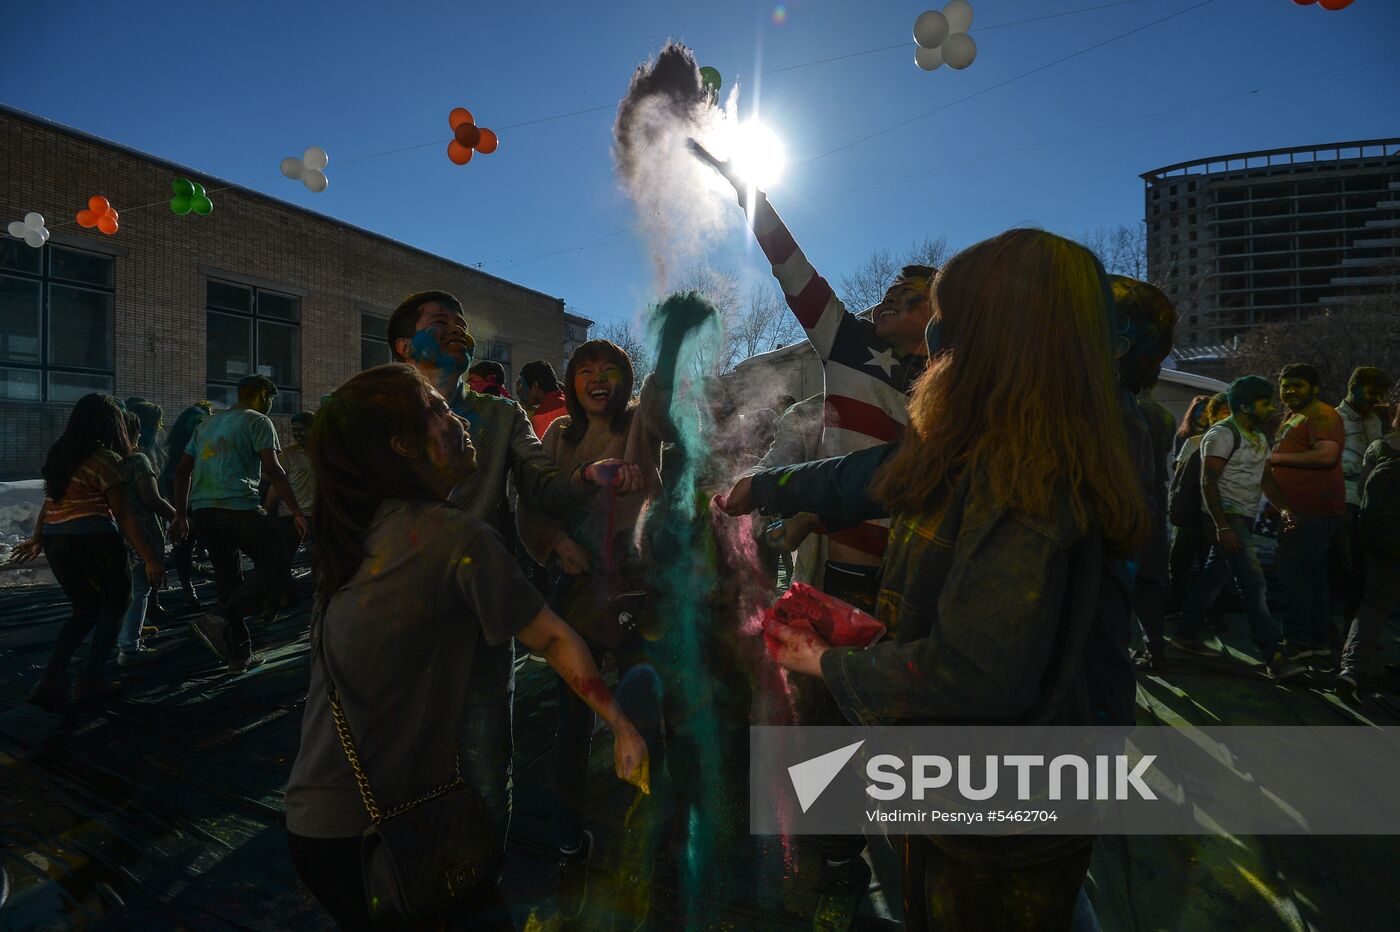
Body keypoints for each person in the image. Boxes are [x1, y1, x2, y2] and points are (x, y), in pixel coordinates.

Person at [720, 228, 1150, 930]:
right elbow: (878, 474)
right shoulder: (993, 428)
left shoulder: (1032, 474)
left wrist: (828, 661)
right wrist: (771, 486)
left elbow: (974, 672)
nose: (936, 333)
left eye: (946, 308)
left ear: (996, 329)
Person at [284, 364, 648, 932]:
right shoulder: (450, 536)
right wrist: (623, 725)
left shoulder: (358, 529)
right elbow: (553, 637)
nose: (459, 416)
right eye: (439, 409)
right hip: (384, 833)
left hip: (320, 820)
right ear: (404, 444)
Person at [693, 139, 934, 920]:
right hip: (837, 582)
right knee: (824, 719)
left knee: (909, 732)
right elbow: (794, 273)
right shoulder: (851, 348)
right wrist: (747, 190)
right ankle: (834, 859)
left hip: (919, 591)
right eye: (895, 283)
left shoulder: (962, 386)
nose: (895, 288)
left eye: (918, 289)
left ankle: (917, 855)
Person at [386, 290, 642, 856]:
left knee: (487, 762)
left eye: (460, 321)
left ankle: (483, 878)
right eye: (439, 323)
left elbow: (541, 484)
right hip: (398, 619)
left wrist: (584, 478)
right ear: (406, 347)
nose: (457, 329)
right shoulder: (375, 410)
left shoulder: (500, 416)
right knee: (403, 763)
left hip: (479, 614)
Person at [516, 339, 661, 918]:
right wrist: (556, 544)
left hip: (636, 583)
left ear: (626, 380)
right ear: (571, 383)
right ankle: (570, 831)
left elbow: (663, 475)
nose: (598, 380)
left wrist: (641, 480)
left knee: (643, 702)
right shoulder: (559, 436)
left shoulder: (642, 422)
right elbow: (535, 503)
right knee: (574, 713)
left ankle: (648, 825)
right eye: (585, 372)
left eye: (610, 371)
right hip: (576, 583)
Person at [11, 394, 165, 710]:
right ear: (111, 423)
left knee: (84, 610)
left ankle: (50, 680)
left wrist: (40, 537)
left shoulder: (61, 455)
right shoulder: (105, 457)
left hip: (58, 542)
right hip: (95, 538)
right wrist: (149, 556)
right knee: (117, 602)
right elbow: (122, 513)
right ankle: (90, 679)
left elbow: (50, 501)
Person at [171, 375, 308, 674]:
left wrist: (181, 515)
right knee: (277, 566)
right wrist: (296, 511)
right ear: (262, 395)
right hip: (238, 508)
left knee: (228, 581)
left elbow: (182, 471)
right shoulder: (258, 421)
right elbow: (273, 470)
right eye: (271, 399)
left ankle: (238, 656)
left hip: (204, 513)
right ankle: (218, 617)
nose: (272, 405)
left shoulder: (205, 425)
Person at [1171, 377, 1301, 677]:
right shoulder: (1222, 434)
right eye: (1264, 403)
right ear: (1243, 404)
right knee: (1253, 582)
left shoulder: (1257, 436)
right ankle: (1273, 655)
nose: (1270, 408)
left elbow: (1266, 477)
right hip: (1223, 517)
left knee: (1214, 577)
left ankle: (1184, 633)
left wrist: (1284, 508)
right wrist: (1221, 526)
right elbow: (1209, 481)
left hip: (1241, 517)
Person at [1110, 277, 1178, 673]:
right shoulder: (1159, 415)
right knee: (1147, 584)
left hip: (1133, 512)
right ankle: (1154, 646)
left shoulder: (1117, 419)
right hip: (1149, 513)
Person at [1269, 363, 1346, 662]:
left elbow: (1327, 455)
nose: (1289, 390)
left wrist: (1274, 458)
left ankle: (1297, 641)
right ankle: (1317, 641)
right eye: (1285, 385)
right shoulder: (1294, 416)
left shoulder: (1322, 415)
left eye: (1297, 385)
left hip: (1313, 510)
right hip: (1298, 510)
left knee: (1294, 575)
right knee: (1311, 576)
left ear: (1314, 388)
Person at [1336, 404, 1400, 701]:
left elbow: (1362, 491)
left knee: (1372, 604)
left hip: (1380, 540)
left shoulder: (1380, 446)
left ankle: (1352, 668)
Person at [115, 409, 176, 665]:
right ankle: (129, 646)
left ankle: (129, 631)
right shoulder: (137, 460)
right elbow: (151, 498)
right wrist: (178, 516)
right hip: (140, 532)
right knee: (141, 589)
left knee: (123, 589)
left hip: (115, 532)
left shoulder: (105, 460)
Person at [1331, 367, 1391, 622]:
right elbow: (1330, 461)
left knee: (1360, 570)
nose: (1375, 399)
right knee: (1341, 568)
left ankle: (1351, 628)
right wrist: (1364, 468)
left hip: (1367, 504)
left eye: (1379, 394)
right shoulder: (1333, 419)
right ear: (1353, 387)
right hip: (1342, 501)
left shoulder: (1374, 420)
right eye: (1371, 392)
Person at [261, 410, 316, 621]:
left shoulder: (325, 453)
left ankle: (321, 601)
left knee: (320, 560)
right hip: (290, 516)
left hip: (317, 516)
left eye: (302, 430)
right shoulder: (288, 454)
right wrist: (266, 509)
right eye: (294, 431)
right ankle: (273, 605)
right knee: (280, 562)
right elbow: (276, 484)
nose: (297, 434)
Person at [161, 402, 213, 607]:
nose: (198, 426)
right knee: (183, 549)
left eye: (202, 422)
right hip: (184, 506)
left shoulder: (208, 444)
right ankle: (187, 588)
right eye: (194, 422)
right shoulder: (174, 451)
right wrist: (178, 512)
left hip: (206, 504)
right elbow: (170, 480)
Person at [518, 359, 570, 439]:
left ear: (535, 386)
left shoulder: (540, 419)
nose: (525, 393)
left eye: (525, 387)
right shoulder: (574, 405)